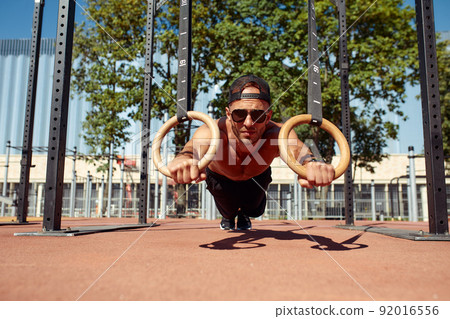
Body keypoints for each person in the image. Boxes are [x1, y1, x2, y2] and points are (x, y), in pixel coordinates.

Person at [167, 75, 335, 230]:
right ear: (228, 114)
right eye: (239, 114)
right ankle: (228, 216)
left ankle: (244, 215)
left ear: (268, 117)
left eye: (258, 115)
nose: (248, 123)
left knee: (254, 210)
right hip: (220, 179)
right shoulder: (214, 131)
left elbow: (298, 150)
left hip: (257, 178)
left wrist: (310, 164)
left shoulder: (277, 133)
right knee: (227, 211)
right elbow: (190, 150)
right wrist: (182, 160)